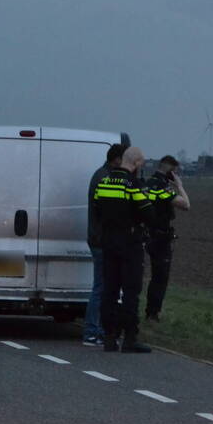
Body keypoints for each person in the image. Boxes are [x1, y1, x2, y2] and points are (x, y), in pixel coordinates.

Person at [92, 146, 155, 353]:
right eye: (141, 164)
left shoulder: (104, 182)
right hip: (130, 243)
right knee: (130, 291)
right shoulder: (133, 185)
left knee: (109, 290)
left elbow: (97, 208)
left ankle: (109, 337)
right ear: (135, 163)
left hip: (109, 243)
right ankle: (129, 338)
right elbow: (149, 214)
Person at [84, 142, 126, 346]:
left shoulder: (101, 174)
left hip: (99, 238)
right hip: (101, 240)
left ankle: (97, 330)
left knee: (102, 286)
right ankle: (93, 331)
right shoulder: (104, 178)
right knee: (101, 287)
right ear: (117, 159)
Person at [144, 155, 190, 321]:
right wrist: (179, 186)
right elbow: (186, 205)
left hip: (146, 234)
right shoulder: (162, 187)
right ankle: (153, 313)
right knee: (160, 277)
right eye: (175, 171)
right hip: (161, 237)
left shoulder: (147, 184)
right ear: (170, 169)